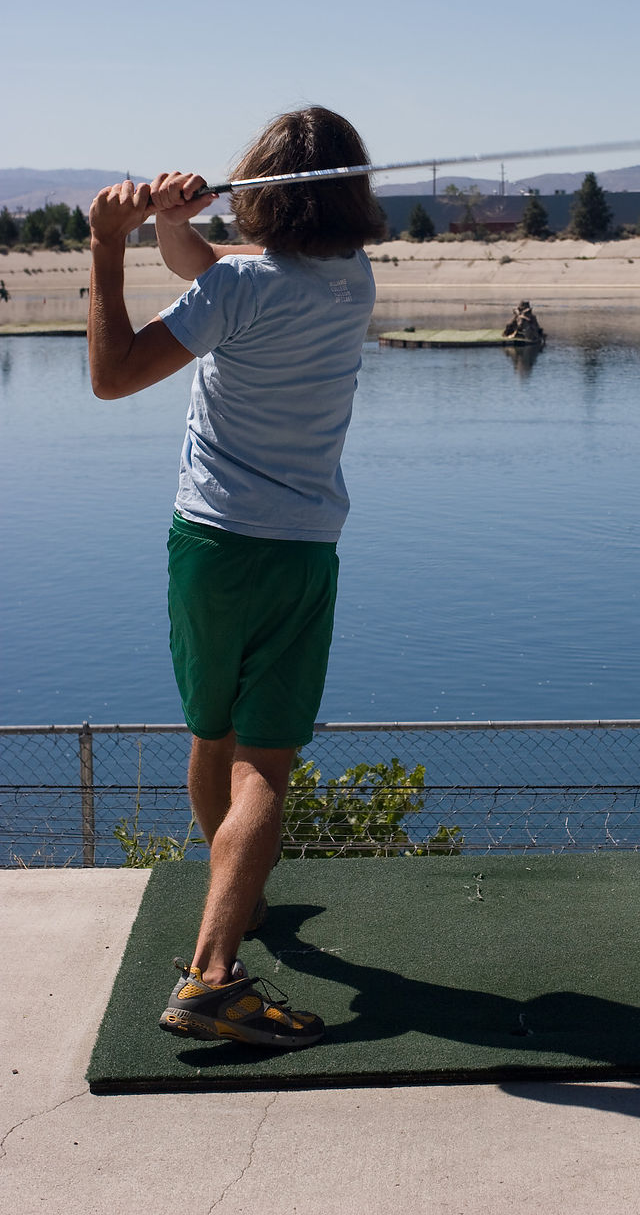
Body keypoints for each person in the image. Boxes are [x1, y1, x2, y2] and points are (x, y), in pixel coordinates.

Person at [87, 106, 383, 1048]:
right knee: (267, 760)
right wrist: (174, 231)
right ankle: (227, 937)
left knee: (216, 737)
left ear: (260, 191)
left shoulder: (242, 291)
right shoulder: (351, 282)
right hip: (297, 551)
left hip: (209, 549)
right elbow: (221, 278)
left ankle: (215, 964)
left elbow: (113, 374)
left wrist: (107, 247)